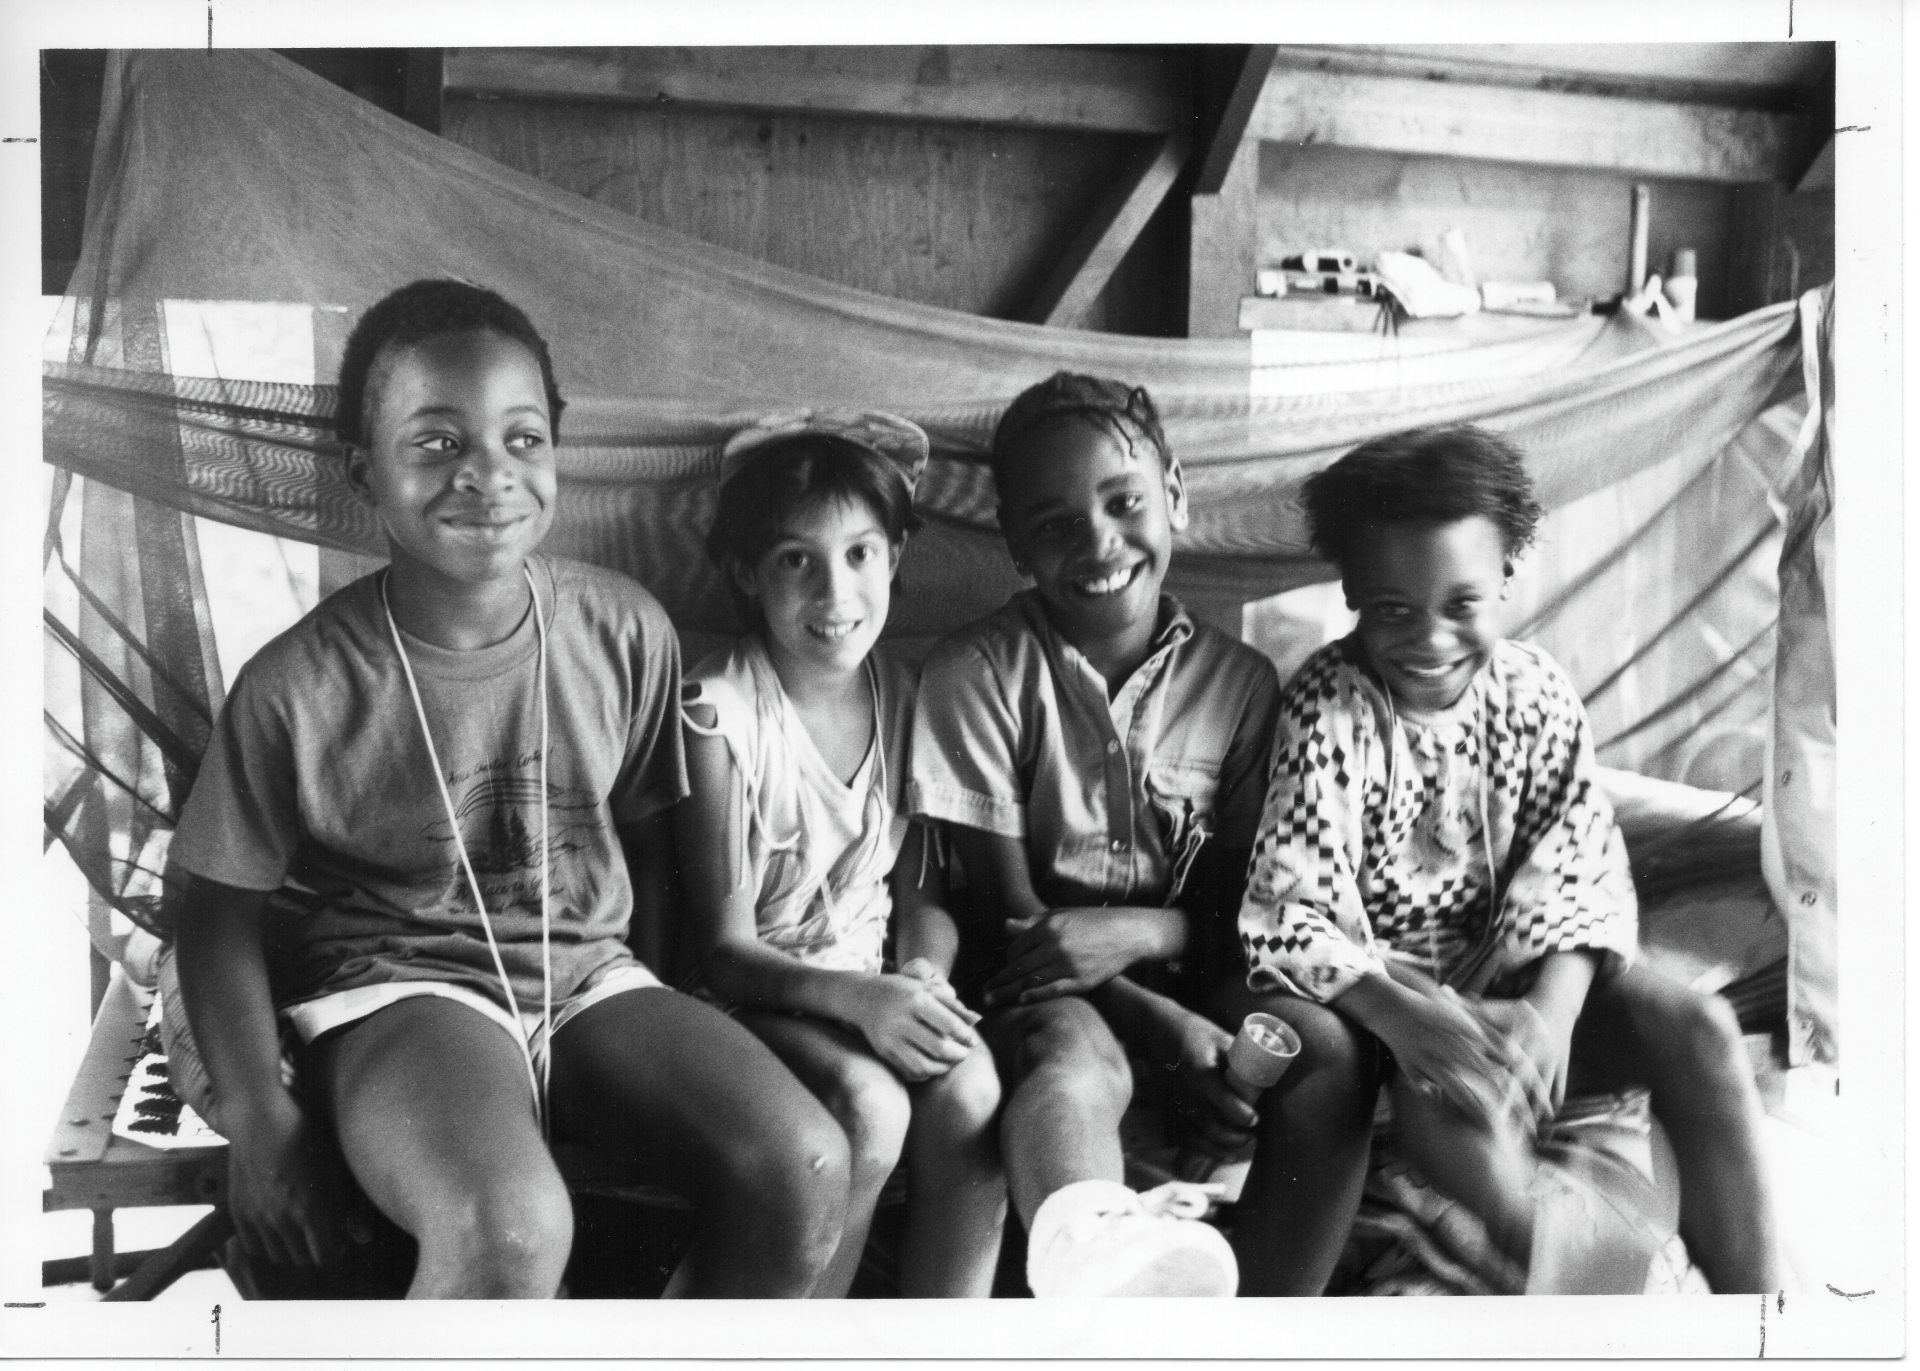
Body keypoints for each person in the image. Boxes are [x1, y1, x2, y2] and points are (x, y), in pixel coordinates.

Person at [165, 279, 852, 1299]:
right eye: (437, 443)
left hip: (589, 981)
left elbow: (651, 849)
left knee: (804, 1165)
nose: (488, 475)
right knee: (513, 1226)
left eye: (523, 439)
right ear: (363, 471)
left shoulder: (624, 629)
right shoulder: (300, 683)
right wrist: (263, 1125)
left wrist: (672, 1021)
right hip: (400, 993)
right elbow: (213, 912)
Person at [1233, 423, 1782, 1294]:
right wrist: (1411, 1021)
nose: (1429, 640)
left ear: (1508, 578)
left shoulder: (1536, 692)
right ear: (1352, 593)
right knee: (1458, 1104)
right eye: (1392, 609)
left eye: (1462, 605)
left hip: (1525, 984)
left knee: (1700, 1027)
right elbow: (1288, 911)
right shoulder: (1327, 706)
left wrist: (1554, 1014)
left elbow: (1580, 861)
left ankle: (1764, 1309)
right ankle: (1599, 1274)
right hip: (1394, 1004)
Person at [910, 373, 1281, 1297]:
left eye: (1125, 504)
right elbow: (1010, 919)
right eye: (1056, 523)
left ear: (1177, 496)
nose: (1100, 543)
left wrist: (1149, 934)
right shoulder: (975, 671)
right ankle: (1093, 1254)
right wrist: (1161, 1022)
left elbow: (1244, 898)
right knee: (1080, 1054)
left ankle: (1265, 1304)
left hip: (1192, 979)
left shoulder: (1241, 685)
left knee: (1301, 1053)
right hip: (1028, 988)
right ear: (1015, 544)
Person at [674, 412, 1006, 1298]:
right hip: (757, 998)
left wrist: (923, 976)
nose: (834, 592)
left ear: (895, 557)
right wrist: (862, 999)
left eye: (859, 554)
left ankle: (939, 1351)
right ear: (747, 572)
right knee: (872, 1105)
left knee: (972, 1094)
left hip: (876, 986)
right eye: (796, 561)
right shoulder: (718, 713)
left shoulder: (914, 697)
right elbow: (722, 952)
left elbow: (920, 892)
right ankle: (796, 1339)